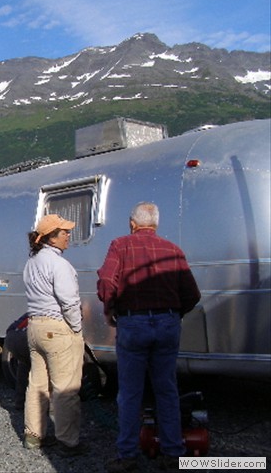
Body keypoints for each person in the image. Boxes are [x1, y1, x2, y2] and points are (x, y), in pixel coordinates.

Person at [97, 202, 201, 473]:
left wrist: (110, 311)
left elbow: (107, 281)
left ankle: (127, 456)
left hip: (133, 323)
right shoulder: (173, 250)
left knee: (130, 392)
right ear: (155, 224)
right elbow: (192, 294)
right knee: (166, 390)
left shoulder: (120, 245)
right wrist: (173, 315)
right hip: (167, 324)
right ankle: (173, 452)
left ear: (133, 224)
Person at [22, 214, 88, 457]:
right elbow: (69, 302)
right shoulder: (60, 265)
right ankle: (68, 442)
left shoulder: (32, 263)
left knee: (37, 383)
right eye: (64, 232)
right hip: (57, 328)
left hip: (35, 326)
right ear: (51, 238)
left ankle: (33, 435)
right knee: (66, 388)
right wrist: (77, 328)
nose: (68, 236)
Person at [4, 313, 30, 410]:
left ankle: (20, 402)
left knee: (24, 364)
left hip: (12, 337)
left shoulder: (35, 309)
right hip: (27, 337)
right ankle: (48, 406)